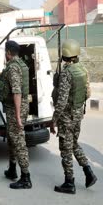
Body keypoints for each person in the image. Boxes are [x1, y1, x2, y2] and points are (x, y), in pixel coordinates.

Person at [51, 39, 97, 194]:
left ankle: (69, 183)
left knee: (65, 149)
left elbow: (62, 100)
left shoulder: (66, 73)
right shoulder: (83, 70)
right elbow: (88, 93)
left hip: (66, 117)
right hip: (78, 114)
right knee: (74, 144)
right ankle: (88, 172)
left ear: (65, 54)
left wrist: (54, 119)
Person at [0, 40, 32, 189]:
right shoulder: (18, 64)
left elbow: (16, 91)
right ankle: (12, 169)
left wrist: (18, 116)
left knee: (18, 142)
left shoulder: (13, 68)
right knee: (12, 139)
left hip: (16, 109)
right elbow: (10, 73)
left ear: (8, 53)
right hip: (17, 108)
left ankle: (26, 178)